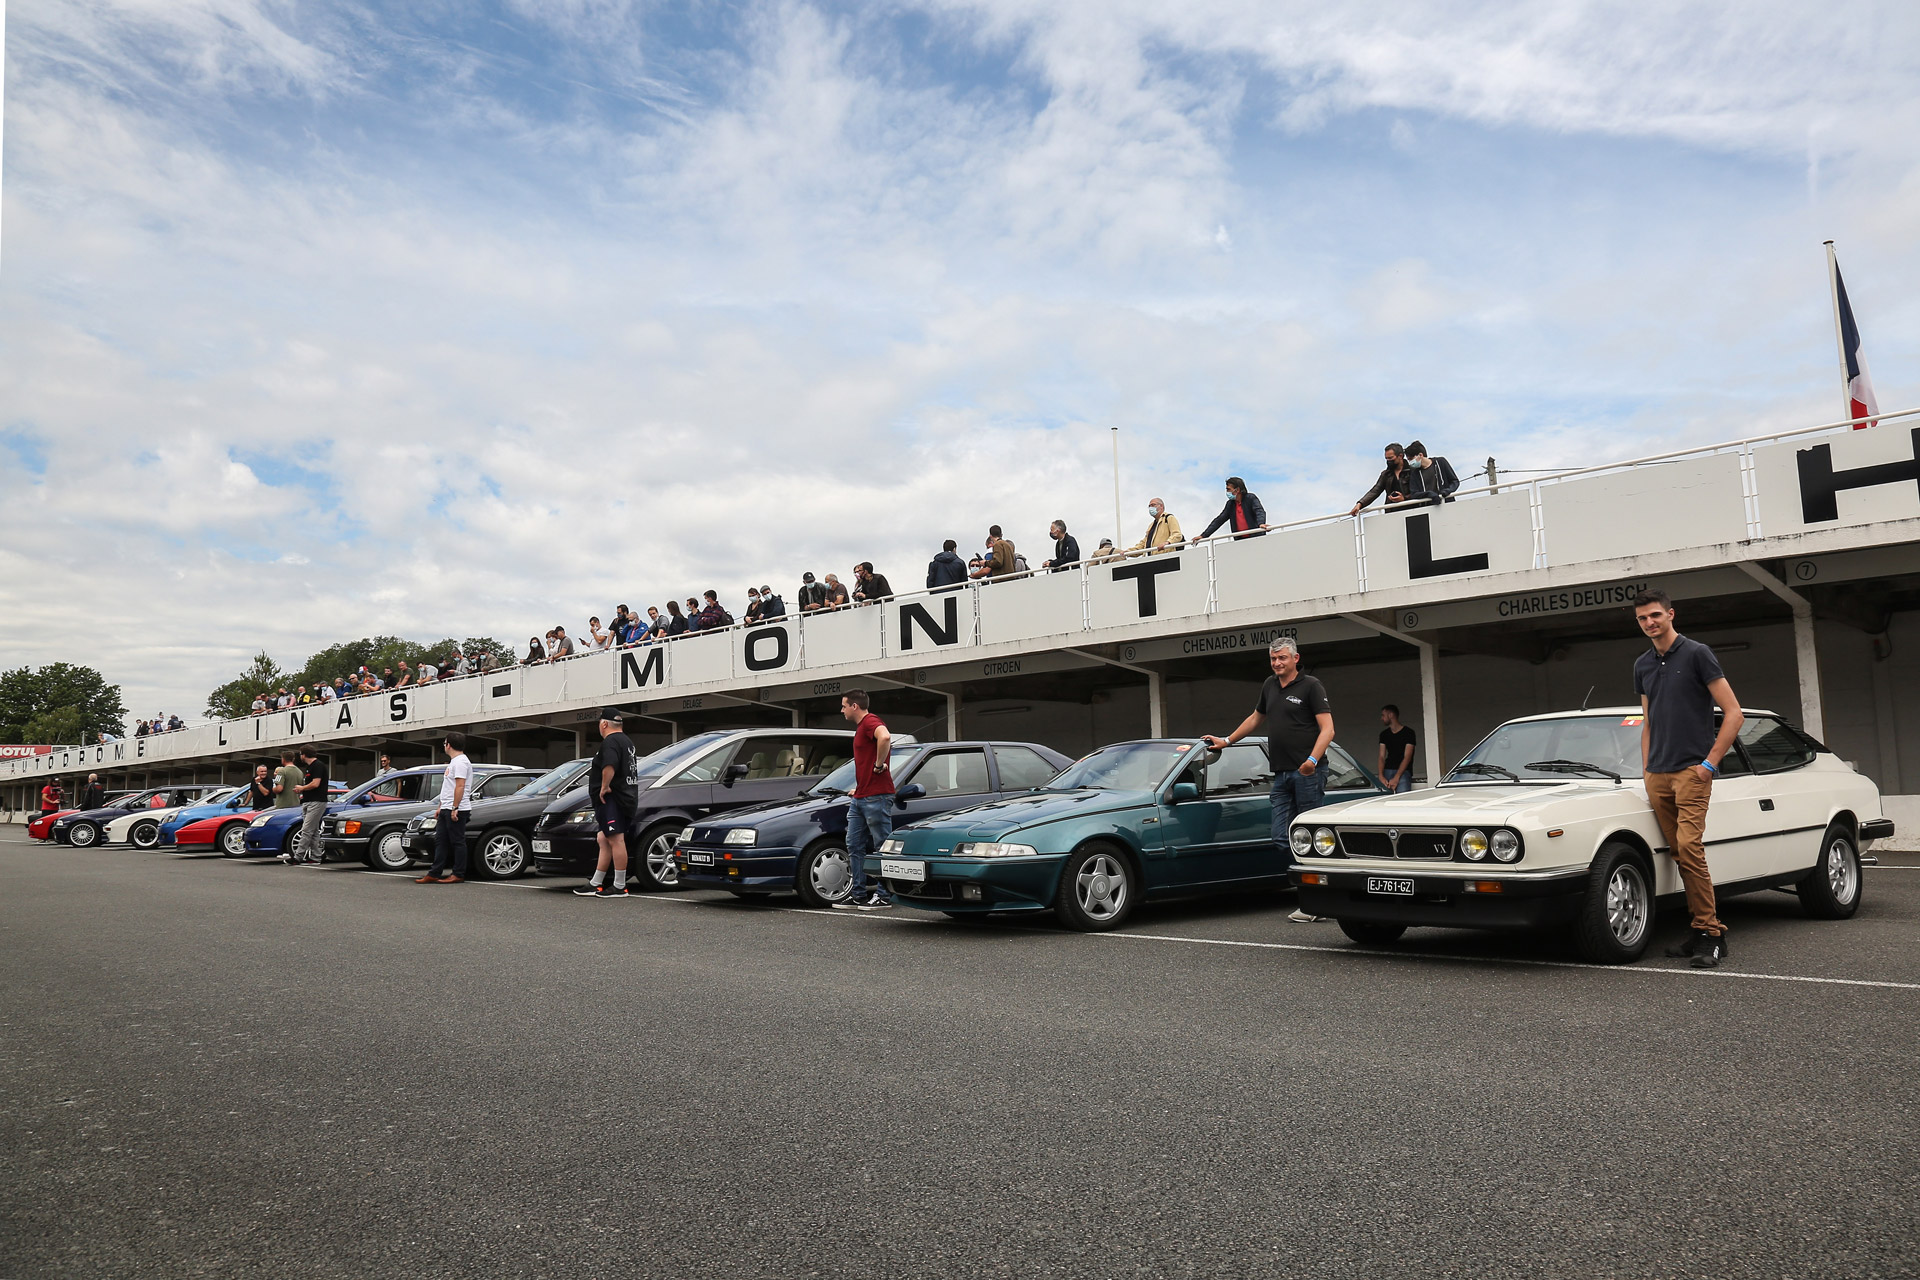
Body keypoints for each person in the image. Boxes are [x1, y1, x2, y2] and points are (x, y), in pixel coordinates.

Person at [1633, 589, 1743, 969]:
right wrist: (1647, 770)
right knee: (1679, 853)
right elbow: (1648, 722)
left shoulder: (1697, 653)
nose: (1650, 622)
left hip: (1691, 772)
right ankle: (1700, 930)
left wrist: (1708, 764)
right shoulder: (1642, 664)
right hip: (1657, 775)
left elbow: (1734, 713)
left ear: (1670, 614)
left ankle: (1711, 934)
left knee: (1689, 849)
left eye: (1655, 615)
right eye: (1642, 618)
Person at [1203, 636, 1335, 924]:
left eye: (1282, 658)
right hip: (1282, 774)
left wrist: (1312, 761)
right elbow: (1255, 718)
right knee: (1282, 837)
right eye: (1273, 659)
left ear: (1295, 659)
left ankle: (1317, 903)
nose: (1277, 663)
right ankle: (1320, 895)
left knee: (1309, 838)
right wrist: (1227, 740)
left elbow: (1328, 729)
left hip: (1308, 773)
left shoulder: (1311, 686)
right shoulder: (1269, 685)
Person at [834, 690, 895, 912]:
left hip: (877, 796)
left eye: (844, 706)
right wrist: (858, 788)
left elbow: (885, 737)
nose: (842, 710)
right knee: (854, 844)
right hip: (861, 796)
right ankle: (858, 894)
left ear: (855, 706)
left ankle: (884, 895)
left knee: (881, 846)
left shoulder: (870, 721)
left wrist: (879, 765)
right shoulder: (862, 727)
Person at [574, 709, 641, 898]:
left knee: (616, 839)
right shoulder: (627, 742)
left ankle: (620, 886)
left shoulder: (610, 742)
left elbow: (609, 765)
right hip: (626, 796)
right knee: (603, 839)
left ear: (604, 724)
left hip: (613, 798)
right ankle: (596, 883)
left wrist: (604, 787)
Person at [414, 733, 474, 884]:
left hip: (457, 808)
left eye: (445, 743)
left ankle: (458, 873)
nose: (444, 746)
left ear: (449, 745)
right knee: (441, 841)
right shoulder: (454, 762)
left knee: (457, 842)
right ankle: (434, 872)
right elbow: (448, 787)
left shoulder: (461, 762)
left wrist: (455, 807)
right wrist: (441, 806)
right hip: (446, 808)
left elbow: (460, 786)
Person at [292, 745, 330, 864]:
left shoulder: (318, 765)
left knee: (306, 830)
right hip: (308, 801)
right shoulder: (310, 767)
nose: (300, 756)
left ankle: (298, 856)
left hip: (316, 801)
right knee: (313, 831)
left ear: (304, 755)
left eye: (300, 754)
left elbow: (315, 783)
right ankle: (316, 856)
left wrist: (302, 788)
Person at [1349, 443, 1411, 515]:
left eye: (1390, 458)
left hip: (1412, 510)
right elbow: (1375, 491)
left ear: (1400, 456)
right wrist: (1360, 504)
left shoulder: (1412, 471)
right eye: (1386, 458)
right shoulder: (1385, 475)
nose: (1388, 461)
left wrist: (1404, 498)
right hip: (1392, 513)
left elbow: (1418, 491)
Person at [1200, 477, 1270, 540]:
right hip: (1240, 540)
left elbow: (1259, 511)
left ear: (1237, 490)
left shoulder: (1250, 498)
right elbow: (1219, 520)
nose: (1227, 492)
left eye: (1228, 489)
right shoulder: (1230, 504)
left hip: (1256, 538)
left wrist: (1261, 523)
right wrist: (1203, 535)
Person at [1377, 706, 1416, 793]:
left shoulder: (1409, 733)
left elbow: (1407, 757)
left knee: (1402, 798)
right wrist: (1381, 775)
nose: (1381, 718)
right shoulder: (1384, 734)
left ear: (1391, 715)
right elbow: (1381, 756)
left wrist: (1397, 777)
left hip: (1404, 772)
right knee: (1385, 798)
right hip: (1387, 770)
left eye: (1383, 715)